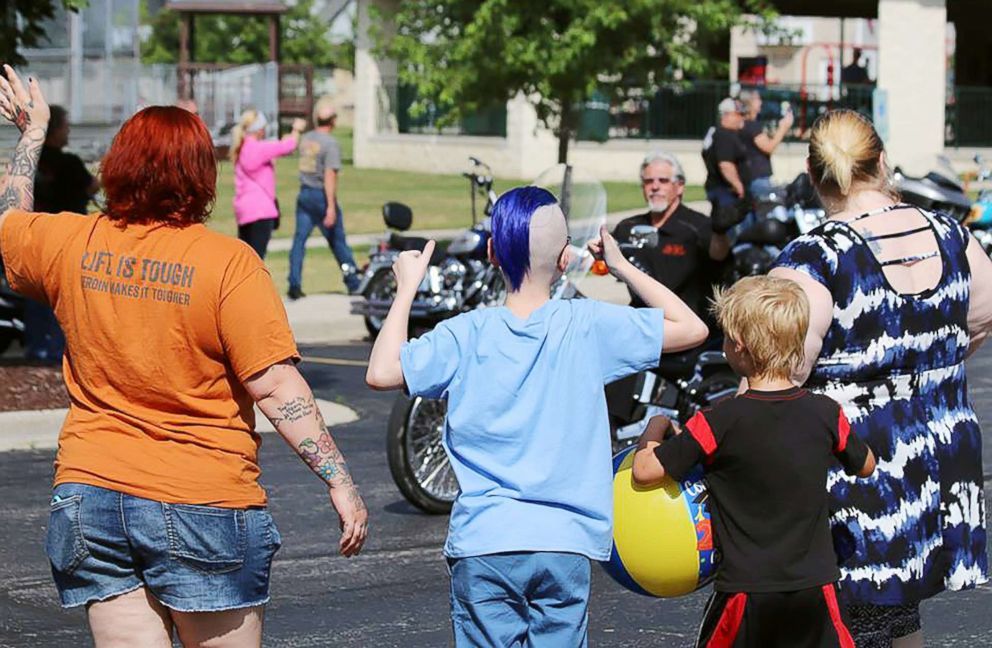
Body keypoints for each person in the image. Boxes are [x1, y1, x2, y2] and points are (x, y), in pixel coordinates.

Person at [0, 69, 367, 648]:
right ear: (201, 176)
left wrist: (31, 134)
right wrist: (340, 480)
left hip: (92, 496)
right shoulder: (228, 264)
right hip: (204, 502)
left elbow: (8, 223)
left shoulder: (72, 242)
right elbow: (274, 386)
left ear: (118, 165)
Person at [366, 186, 709, 646]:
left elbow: (382, 371)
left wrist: (406, 288)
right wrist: (623, 266)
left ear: (491, 253)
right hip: (563, 542)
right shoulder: (588, 325)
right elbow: (692, 328)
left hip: (485, 540)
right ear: (565, 259)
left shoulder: (464, 334)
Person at [770, 109, 992, 647]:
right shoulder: (955, 236)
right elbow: (981, 319)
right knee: (897, 613)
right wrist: (926, 367)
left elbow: (783, 374)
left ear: (812, 171)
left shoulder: (813, 259)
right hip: (940, 450)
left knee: (853, 618)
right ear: (883, 161)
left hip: (857, 464)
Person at [632, 275, 876, 647]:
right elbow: (866, 465)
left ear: (739, 348)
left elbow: (645, 471)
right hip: (816, 588)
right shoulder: (825, 413)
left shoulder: (717, 421)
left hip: (746, 592)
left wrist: (655, 428)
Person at [23, 104, 101, 361]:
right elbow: (90, 188)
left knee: (36, 295)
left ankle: (37, 346)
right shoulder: (69, 163)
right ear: (54, 130)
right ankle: (58, 350)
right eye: (65, 126)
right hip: (67, 237)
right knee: (64, 295)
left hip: (35, 235)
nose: (68, 131)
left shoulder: (31, 160)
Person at [613, 151, 730, 317]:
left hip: (689, 322)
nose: (655, 187)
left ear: (679, 186)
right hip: (643, 319)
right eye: (648, 181)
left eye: (663, 181)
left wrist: (720, 232)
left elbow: (719, 256)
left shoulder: (698, 225)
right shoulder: (628, 227)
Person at [288, 98, 361, 299]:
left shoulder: (307, 139)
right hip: (321, 195)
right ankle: (354, 282)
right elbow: (330, 176)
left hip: (304, 193)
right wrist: (330, 206)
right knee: (338, 241)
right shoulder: (331, 144)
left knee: (299, 241)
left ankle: (294, 284)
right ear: (333, 121)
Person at [231, 109, 306, 259]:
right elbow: (289, 146)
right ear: (259, 129)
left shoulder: (242, 148)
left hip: (244, 211)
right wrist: (296, 129)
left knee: (245, 259)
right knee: (257, 260)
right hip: (261, 211)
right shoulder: (259, 148)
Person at [702, 97, 749, 227]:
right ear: (726, 115)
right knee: (729, 231)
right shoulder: (724, 136)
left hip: (722, 191)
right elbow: (725, 164)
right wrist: (738, 185)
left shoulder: (718, 133)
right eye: (739, 114)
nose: (742, 118)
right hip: (726, 193)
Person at [738, 89, 794, 198]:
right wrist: (783, 128)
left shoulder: (745, 124)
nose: (761, 102)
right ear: (750, 102)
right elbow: (769, 147)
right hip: (757, 177)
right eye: (758, 99)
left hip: (753, 176)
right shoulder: (751, 126)